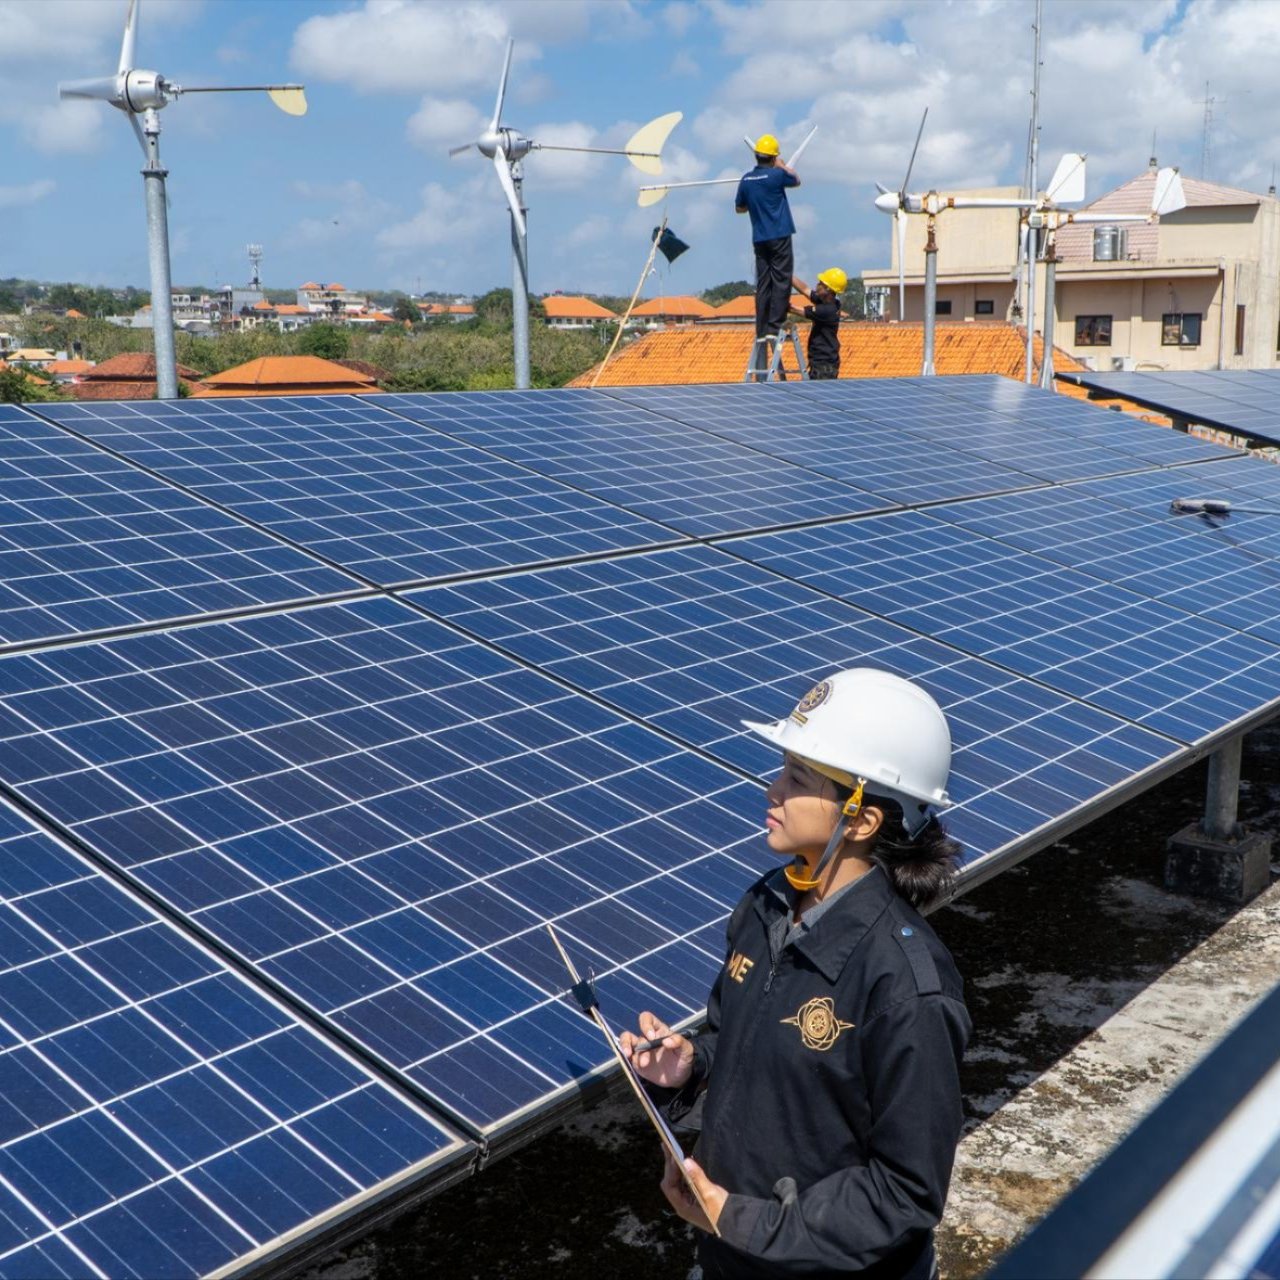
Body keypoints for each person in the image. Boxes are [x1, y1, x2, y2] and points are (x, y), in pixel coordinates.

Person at [622, 668, 971, 1280]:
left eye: (797, 779)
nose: (772, 789)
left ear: (861, 820)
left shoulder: (905, 985)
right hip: (731, 1259)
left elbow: (905, 1192)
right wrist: (689, 1066)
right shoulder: (766, 907)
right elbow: (736, 1040)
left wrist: (740, 1219)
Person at [736, 134, 801, 373]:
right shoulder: (777, 175)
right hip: (780, 234)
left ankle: (762, 327)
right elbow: (796, 180)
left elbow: (740, 208)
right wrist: (783, 166)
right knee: (781, 279)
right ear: (773, 157)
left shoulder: (746, 179)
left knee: (763, 283)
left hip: (759, 237)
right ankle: (774, 325)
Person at [791, 268, 846, 379]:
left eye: (821, 283)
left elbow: (793, 309)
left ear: (828, 289)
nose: (817, 285)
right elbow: (805, 289)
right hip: (824, 365)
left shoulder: (826, 310)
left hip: (823, 369)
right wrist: (786, 274)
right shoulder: (830, 302)